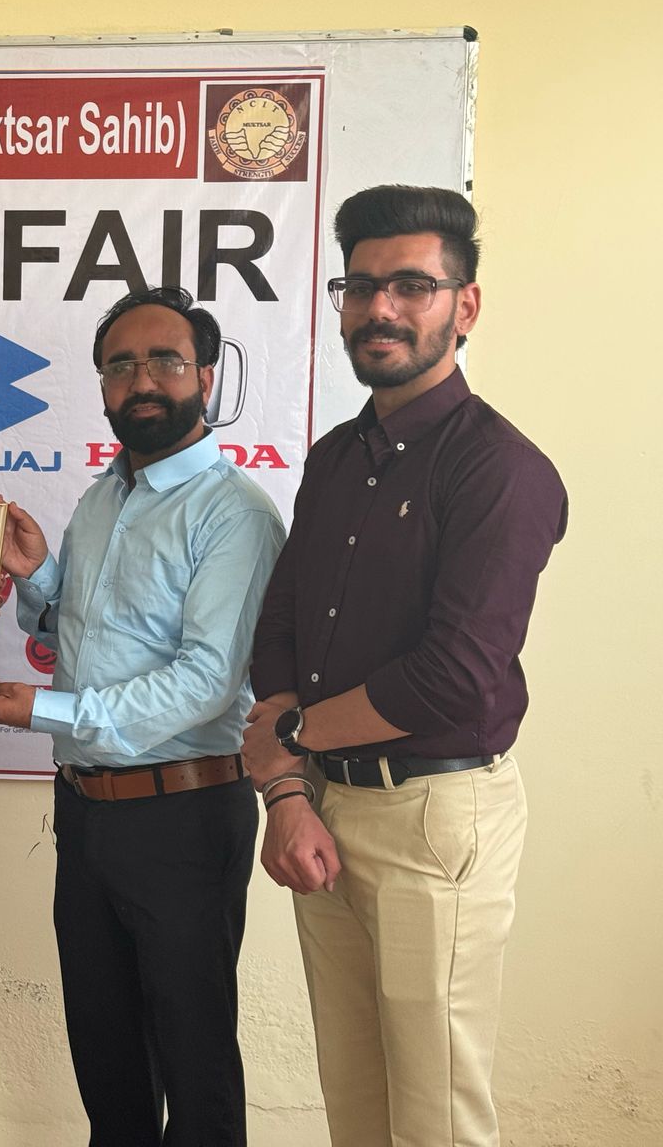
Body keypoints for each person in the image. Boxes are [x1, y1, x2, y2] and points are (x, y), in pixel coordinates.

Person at [241, 185, 567, 1146]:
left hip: (435, 818)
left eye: (412, 287)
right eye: (361, 287)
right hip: (323, 806)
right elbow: (281, 627)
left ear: (465, 307)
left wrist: (287, 736)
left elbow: (455, 675)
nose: (380, 309)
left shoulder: (501, 470)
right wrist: (289, 790)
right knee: (355, 1097)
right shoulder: (336, 457)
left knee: (436, 1114)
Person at [0, 286, 284, 1145]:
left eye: (165, 360)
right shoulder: (104, 499)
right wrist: (38, 575)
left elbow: (205, 683)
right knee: (108, 1065)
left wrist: (41, 710)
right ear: (101, 384)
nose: (142, 380)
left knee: (196, 1072)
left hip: (184, 814)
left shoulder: (234, 513)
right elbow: (88, 635)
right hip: (87, 813)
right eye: (120, 365)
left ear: (206, 377)